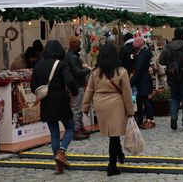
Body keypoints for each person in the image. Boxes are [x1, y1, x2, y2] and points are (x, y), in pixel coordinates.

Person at [82, 44, 134, 176]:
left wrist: (85, 107)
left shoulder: (95, 72)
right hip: (116, 103)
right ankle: (112, 165)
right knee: (114, 135)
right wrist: (130, 111)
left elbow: (89, 90)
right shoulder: (121, 72)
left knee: (113, 134)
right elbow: (127, 93)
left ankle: (119, 155)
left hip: (100, 104)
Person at [31, 40, 78, 175]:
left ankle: (58, 166)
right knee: (70, 128)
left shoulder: (38, 66)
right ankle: (62, 151)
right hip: (61, 100)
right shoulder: (61, 64)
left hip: (46, 102)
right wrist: (74, 92)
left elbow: (33, 87)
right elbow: (70, 81)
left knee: (54, 134)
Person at [159, 28, 183, 131]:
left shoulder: (167, 48)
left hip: (172, 77)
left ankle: (173, 117)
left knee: (175, 98)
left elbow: (161, 61)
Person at [65, 36, 91, 140]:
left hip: (76, 85)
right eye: (79, 45)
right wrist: (88, 69)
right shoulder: (73, 57)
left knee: (78, 107)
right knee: (76, 108)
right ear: (76, 46)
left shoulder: (71, 56)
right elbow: (77, 72)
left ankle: (80, 127)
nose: (80, 47)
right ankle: (76, 130)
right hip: (76, 85)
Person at [130, 37, 155, 129]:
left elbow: (138, 71)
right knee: (140, 100)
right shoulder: (144, 52)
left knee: (144, 100)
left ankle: (150, 120)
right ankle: (141, 120)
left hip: (142, 80)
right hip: (144, 79)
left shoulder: (142, 54)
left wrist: (130, 83)